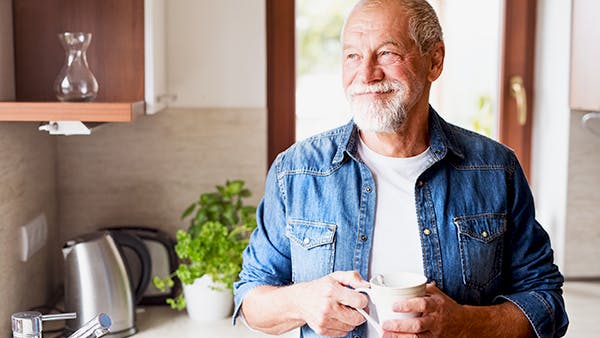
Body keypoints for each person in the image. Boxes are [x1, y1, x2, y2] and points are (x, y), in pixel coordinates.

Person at [234, 0, 569, 337]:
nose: (366, 75)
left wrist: (465, 324)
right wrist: (300, 302)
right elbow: (251, 299)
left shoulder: (496, 170)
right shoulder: (296, 171)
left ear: (434, 60)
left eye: (387, 54)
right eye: (352, 56)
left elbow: (547, 304)